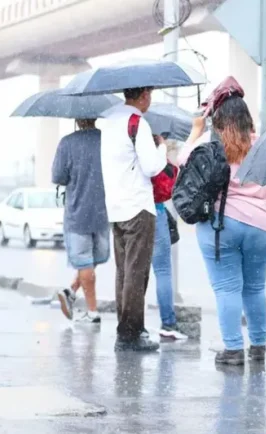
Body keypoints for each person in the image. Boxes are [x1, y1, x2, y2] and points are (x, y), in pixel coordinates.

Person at [179, 77, 266, 366]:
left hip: (221, 226)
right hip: (261, 227)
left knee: (227, 289)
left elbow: (182, 161)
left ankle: (233, 350)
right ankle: (259, 347)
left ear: (218, 120)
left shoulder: (211, 145)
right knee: (255, 288)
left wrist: (195, 131)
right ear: (247, 118)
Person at [101, 87, 168, 352]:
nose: (149, 99)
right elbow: (151, 166)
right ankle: (130, 334)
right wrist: (161, 147)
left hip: (116, 207)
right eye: (149, 94)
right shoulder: (137, 122)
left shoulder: (109, 122)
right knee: (136, 272)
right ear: (143, 96)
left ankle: (126, 328)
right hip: (137, 207)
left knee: (124, 272)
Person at [52, 118, 109, 324]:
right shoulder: (108, 140)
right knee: (93, 259)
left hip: (78, 213)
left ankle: (92, 312)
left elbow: (58, 176)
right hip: (103, 211)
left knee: (84, 261)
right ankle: (71, 291)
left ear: (77, 119)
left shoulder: (68, 142)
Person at [149, 135, 186, 340]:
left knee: (133, 270)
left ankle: (130, 325)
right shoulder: (159, 161)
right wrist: (162, 148)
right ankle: (168, 323)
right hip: (156, 212)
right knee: (163, 271)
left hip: (132, 213)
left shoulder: (131, 155)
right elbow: (173, 181)